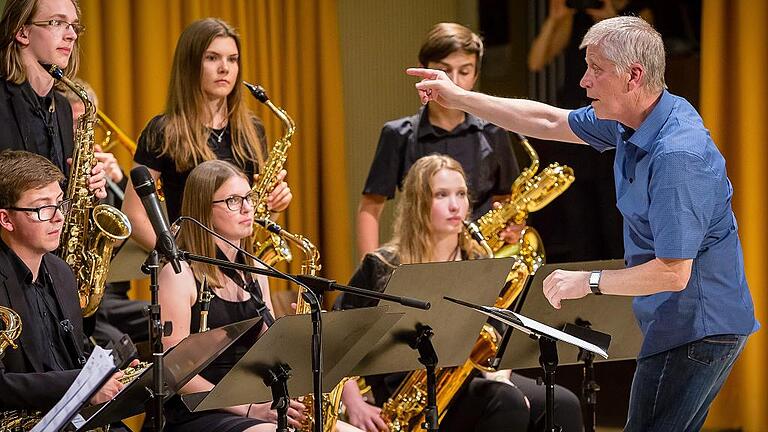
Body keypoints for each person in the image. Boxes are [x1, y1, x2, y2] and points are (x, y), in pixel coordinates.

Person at [409, 15, 759, 431]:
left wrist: (587, 282)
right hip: (679, 322)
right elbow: (548, 121)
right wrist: (459, 98)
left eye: (596, 69)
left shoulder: (677, 155)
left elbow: (673, 272)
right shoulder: (635, 119)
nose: (584, 81)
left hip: (699, 326)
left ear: (634, 76)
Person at [339, 155, 583, 432]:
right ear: (418, 204)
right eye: (441, 195)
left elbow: (495, 338)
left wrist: (501, 376)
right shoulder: (382, 265)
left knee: (564, 404)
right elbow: (337, 337)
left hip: (471, 378)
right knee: (506, 402)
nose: (456, 205)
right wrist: (355, 403)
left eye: (461, 194)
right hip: (407, 393)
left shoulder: (479, 261)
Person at [159, 159, 361, 432]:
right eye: (233, 200)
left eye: (249, 197)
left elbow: (268, 348)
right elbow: (175, 371)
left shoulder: (255, 269)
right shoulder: (179, 274)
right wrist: (249, 408)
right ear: (203, 210)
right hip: (202, 411)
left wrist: (302, 332)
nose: (247, 208)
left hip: (254, 403)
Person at [123, 17, 291, 252]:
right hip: (191, 269)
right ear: (190, 64)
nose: (225, 68)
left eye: (232, 59)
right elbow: (133, 213)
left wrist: (273, 207)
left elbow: (256, 215)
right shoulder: (163, 130)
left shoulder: (253, 129)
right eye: (212, 58)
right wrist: (177, 259)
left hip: (243, 265)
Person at [357, 22, 521, 259]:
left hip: (481, 259)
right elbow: (370, 206)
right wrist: (371, 270)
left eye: (464, 71)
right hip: (419, 257)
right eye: (444, 71)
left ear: (475, 75)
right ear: (424, 71)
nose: (453, 82)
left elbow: (506, 198)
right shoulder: (398, 134)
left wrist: (514, 225)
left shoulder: (494, 132)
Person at [0, 150, 127, 417]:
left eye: (60, 203)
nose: (58, 217)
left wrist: (114, 374)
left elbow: (72, 355)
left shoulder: (61, 272)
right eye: (43, 207)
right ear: (6, 219)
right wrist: (84, 386)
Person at [0, 0, 107, 200]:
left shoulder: (63, 107)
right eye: (57, 23)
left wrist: (86, 186)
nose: (72, 35)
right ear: (23, 32)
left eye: (74, 26)